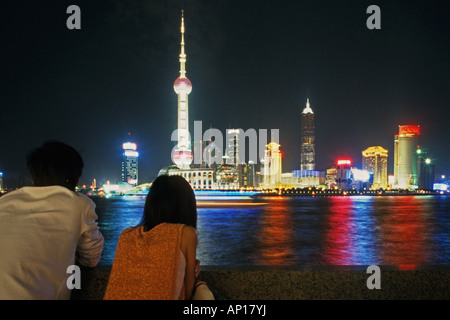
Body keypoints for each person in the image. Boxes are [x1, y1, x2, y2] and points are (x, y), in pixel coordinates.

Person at [0, 141, 104, 300]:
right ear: (76, 178)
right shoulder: (79, 203)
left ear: (34, 176)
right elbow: (91, 256)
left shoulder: (5, 202)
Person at [104, 175, 214, 300]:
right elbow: (187, 292)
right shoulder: (185, 234)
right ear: (186, 206)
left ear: (151, 203)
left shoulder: (126, 235)